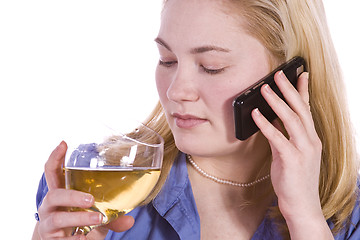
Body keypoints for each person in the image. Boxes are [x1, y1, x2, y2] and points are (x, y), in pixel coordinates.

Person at [32, 0, 360, 239]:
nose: (176, 91)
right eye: (168, 59)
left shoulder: (349, 212)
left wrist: (305, 218)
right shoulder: (93, 190)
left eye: (211, 66)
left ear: (286, 77)